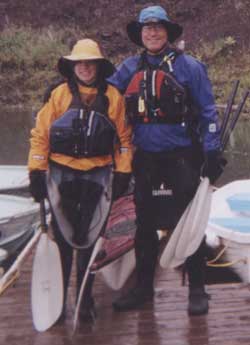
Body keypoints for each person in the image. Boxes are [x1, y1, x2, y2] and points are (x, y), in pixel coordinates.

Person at [108, 5, 225, 315]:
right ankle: (144, 288)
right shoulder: (128, 68)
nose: (153, 32)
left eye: (158, 27)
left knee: (191, 223)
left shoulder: (190, 67)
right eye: (147, 28)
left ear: (168, 33)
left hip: (182, 157)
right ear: (140, 35)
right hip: (145, 158)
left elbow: (208, 113)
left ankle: (197, 289)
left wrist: (212, 151)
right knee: (144, 224)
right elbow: (105, 98)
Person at [28, 38, 132, 321]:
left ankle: (85, 299)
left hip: (97, 176)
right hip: (62, 174)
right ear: (72, 66)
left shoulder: (113, 98)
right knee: (63, 240)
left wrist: (123, 171)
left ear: (98, 66)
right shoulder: (59, 95)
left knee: (89, 240)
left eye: (90, 63)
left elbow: (123, 141)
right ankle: (59, 304)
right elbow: (41, 136)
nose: (85, 68)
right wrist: (36, 171)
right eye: (80, 63)